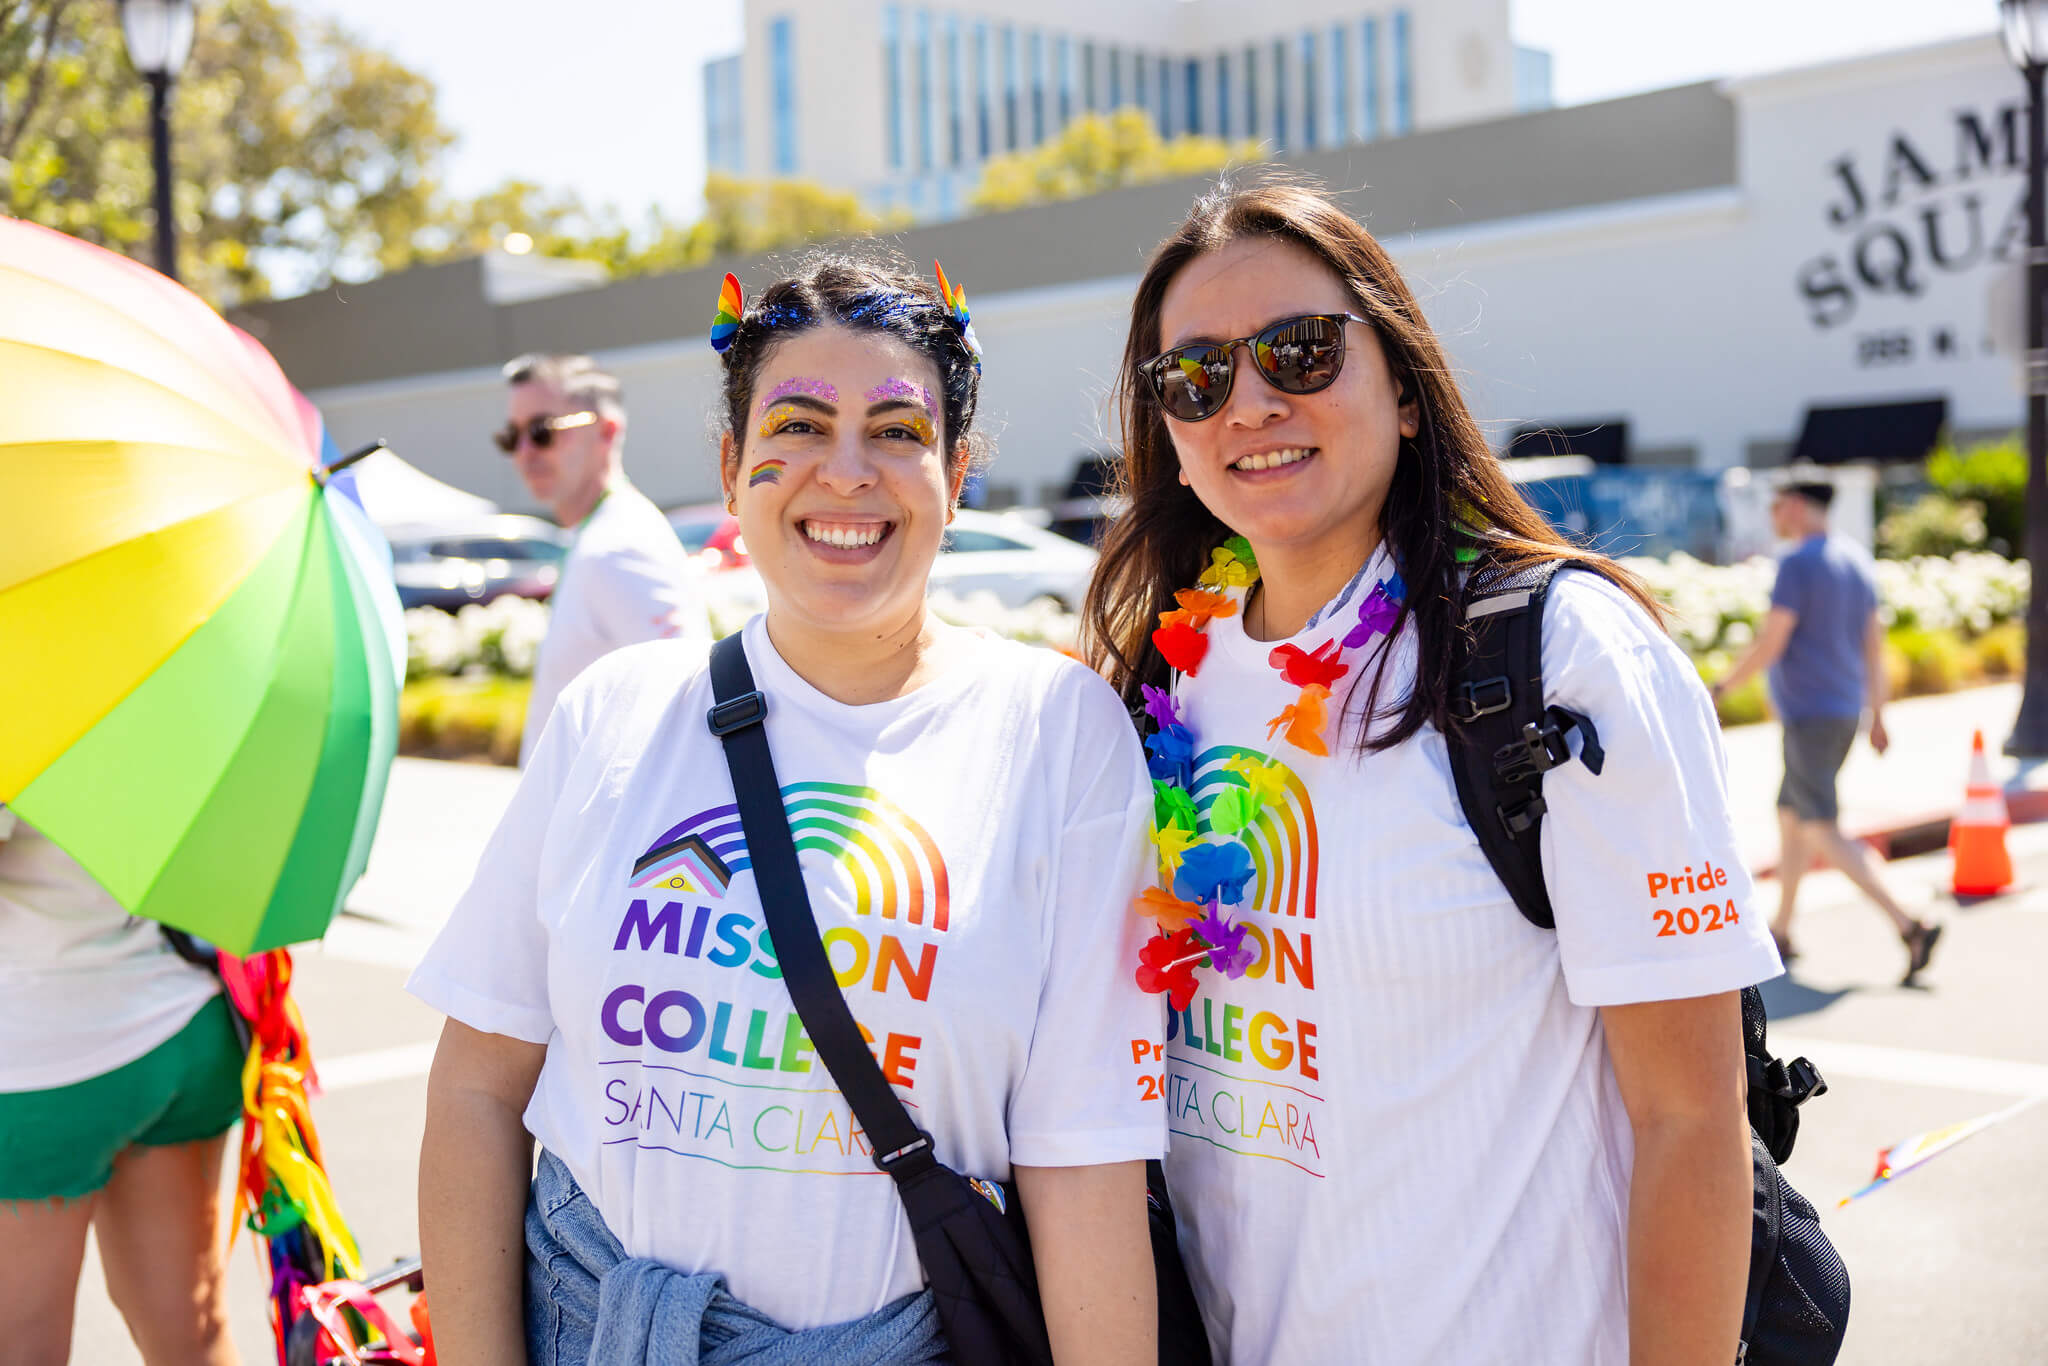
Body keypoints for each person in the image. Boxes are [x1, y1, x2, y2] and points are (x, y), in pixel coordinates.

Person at [414, 255, 1164, 1365]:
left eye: (898, 432)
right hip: (592, 1332)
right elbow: (478, 1084)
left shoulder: (1058, 733)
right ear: (730, 466)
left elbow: (1083, 1155)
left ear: (956, 472)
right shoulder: (614, 715)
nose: (845, 472)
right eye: (799, 426)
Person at [1083, 178, 1783, 1365]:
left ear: (1402, 387)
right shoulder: (1150, 678)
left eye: (1297, 352)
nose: (1247, 401)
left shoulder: (1552, 652)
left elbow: (1688, 1120)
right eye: (1193, 375)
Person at [0, 807, 244, 1366]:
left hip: (40, 1059)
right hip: (187, 1017)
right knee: (192, 1329)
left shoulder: (26, 716)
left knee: (20, 1345)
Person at [1713, 478, 1941, 980]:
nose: (1773, 515)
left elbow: (1773, 640)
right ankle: (1782, 930)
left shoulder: (1796, 564)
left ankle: (1910, 923)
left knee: (1819, 825)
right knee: (1792, 816)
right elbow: (1873, 645)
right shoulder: (1855, 560)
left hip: (1811, 716)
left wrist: (1722, 687)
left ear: (1795, 506)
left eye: (1776, 506)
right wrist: (1878, 714)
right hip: (1841, 711)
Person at [497, 354, 711, 765]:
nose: (523, 452)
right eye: (512, 435)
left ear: (607, 432)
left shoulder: (620, 547)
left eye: (542, 431)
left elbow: (692, 705)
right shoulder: (601, 534)